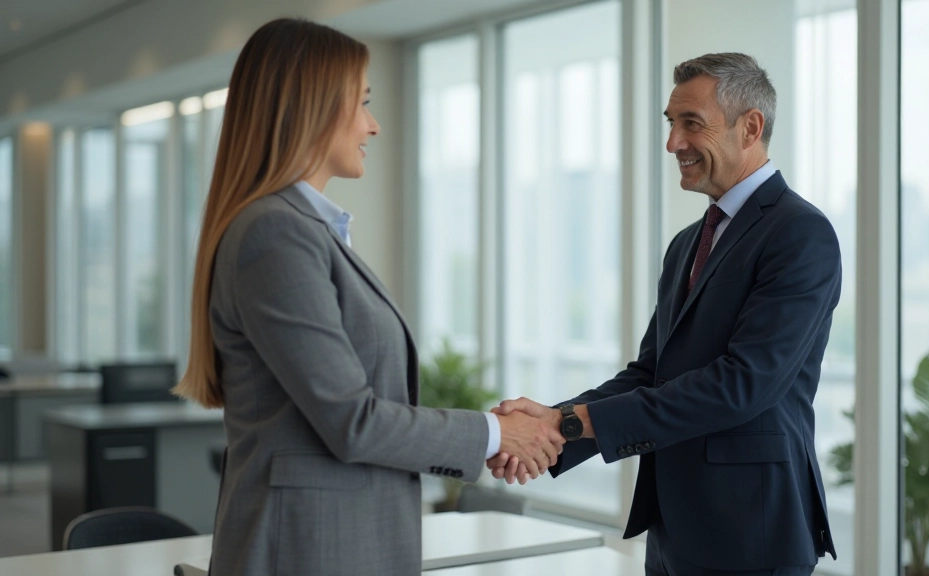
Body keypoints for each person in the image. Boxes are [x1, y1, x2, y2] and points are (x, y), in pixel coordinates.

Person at [171, 18, 563, 576]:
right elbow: (353, 420)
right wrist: (497, 433)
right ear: (312, 108)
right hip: (307, 549)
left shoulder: (304, 229)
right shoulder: (275, 233)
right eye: (362, 104)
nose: (372, 126)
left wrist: (494, 437)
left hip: (338, 541)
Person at [489, 52, 841, 576]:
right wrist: (554, 425)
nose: (674, 143)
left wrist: (569, 422)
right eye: (671, 124)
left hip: (751, 531)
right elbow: (651, 374)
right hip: (673, 531)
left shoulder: (800, 233)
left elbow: (742, 385)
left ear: (751, 127)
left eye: (691, 124)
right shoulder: (687, 244)